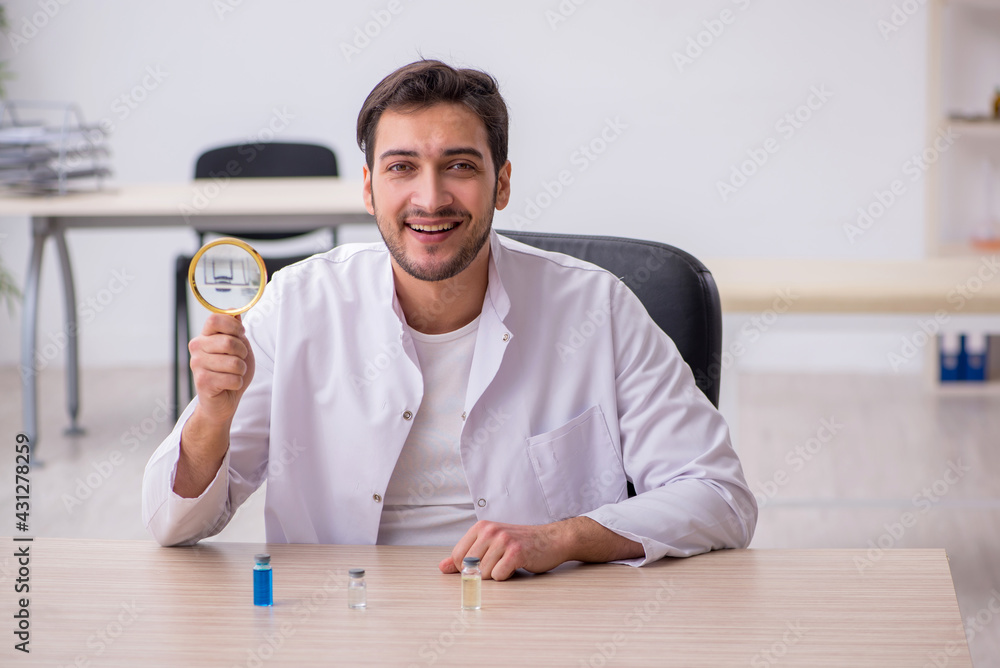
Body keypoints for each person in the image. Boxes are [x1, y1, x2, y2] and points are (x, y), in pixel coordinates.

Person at [142, 59, 757, 581]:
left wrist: (563, 538)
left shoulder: (598, 308)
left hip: (542, 624)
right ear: (368, 188)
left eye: (460, 166)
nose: (430, 197)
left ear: (502, 183)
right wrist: (213, 419)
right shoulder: (296, 306)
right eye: (401, 166)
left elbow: (719, 497)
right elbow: (173, 526)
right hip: (340, 627)